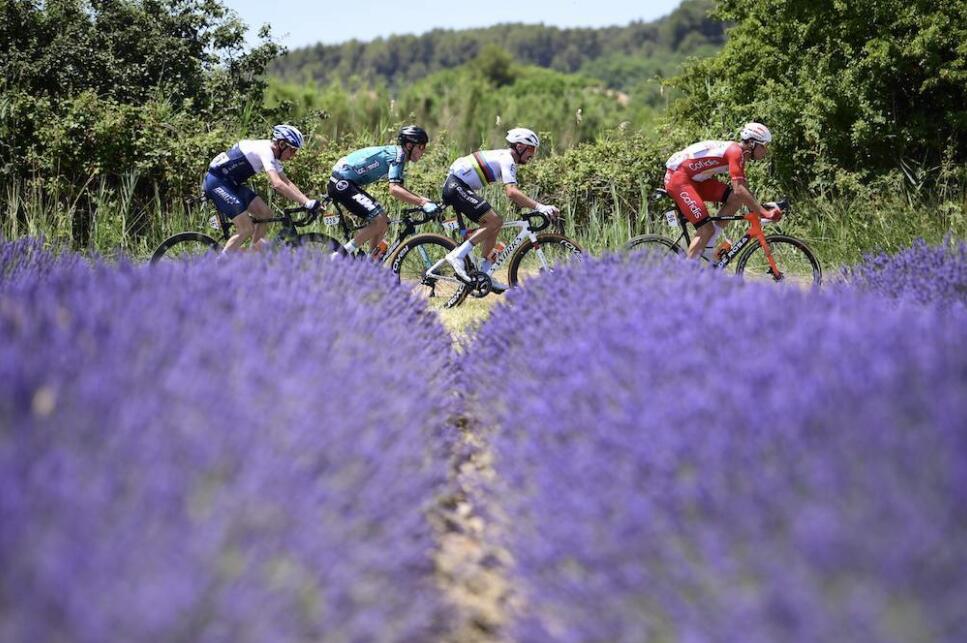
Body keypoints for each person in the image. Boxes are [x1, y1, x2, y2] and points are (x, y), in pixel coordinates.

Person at [442, 127, 559, 291]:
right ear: (519, 147)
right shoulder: (507, 158)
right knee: (494, 221)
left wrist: (531, 207)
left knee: (495, 222)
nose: (532, 154)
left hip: (459, 186)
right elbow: (511, 192)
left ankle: (486, 272)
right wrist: (540, 207)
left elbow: (514, 194)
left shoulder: (506, 158)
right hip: (456, 186)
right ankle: (457, 255)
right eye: (531, 149)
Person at [663, 122, 782, 260]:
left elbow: (742, 189)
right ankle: (688, 277)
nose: (765, 151)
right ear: (752, 143)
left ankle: (709, 246)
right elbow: (739, 189)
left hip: (693, 179)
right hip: (679, 180)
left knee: (735, 199)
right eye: (764, 146)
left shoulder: (739, 153)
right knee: (706, 229)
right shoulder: (735, 152)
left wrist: (759, 208)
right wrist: (763, 213)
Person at [328, 125, 440, 259]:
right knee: (379, 219)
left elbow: (399, 188)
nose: (423, 152)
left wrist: (422, 200)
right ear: (409, 146)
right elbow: (394, 189)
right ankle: (340, 255)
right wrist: (422, 202)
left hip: (347, 182)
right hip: (342, 182)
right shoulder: (398, 155)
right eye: (421, 147)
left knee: (384, 221)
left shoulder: (399, 155)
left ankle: (370, 263)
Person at [204, 124, 319, 252]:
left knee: (265, 214)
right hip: (217, 183)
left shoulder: (273, 155)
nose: (293, 155)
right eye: (292, 150)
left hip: (231, 184)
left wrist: (307, 201)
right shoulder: (265, 151)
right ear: (281, 145)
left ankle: (253, 257)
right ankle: (219, 265)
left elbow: (286, 182)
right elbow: (277, 184)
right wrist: (306, 203)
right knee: (246, 228)